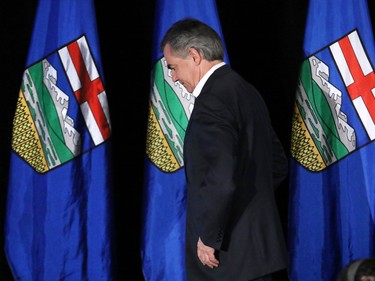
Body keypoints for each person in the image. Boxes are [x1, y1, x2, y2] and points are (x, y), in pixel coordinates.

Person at [160, 18, 289, 281]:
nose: (173, 77)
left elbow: (219, 179)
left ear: (194, 56)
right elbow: (276, 164)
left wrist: (209, 236)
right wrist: (248, 207)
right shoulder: (247, 91)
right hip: (260, 253)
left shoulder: (212, 102)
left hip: (227, 260)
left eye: (173, 67)